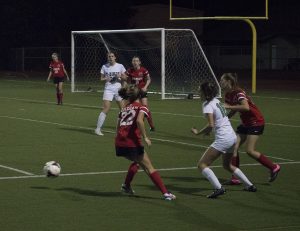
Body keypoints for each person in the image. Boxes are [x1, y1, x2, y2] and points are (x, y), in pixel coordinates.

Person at [191, 82, 257, 199]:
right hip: (232, 137)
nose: (198, 92)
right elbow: (218, 120)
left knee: (202, 164)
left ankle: (218, 188)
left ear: (205, 94)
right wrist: (209, 131)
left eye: (200, 90)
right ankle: (250, 185)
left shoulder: (207, 105)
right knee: (227, 165)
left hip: (224, 138)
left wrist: (198, 133)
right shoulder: (217, 101)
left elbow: (211, 124)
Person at [116, 85, 176, 201]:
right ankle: (166, 193)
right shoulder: (142, 107)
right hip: (131, 143)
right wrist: (145, 137)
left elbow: (118, 125)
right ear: (139, 96)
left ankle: (126, 186)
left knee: (137, 162)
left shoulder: (123, 109)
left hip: (119, 143)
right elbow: (139, 120)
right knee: (149, 167)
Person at [220, 73, 281, 184]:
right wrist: (225, 118)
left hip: (256, 122)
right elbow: (233, 110)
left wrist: (229, 106)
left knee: (249, 151)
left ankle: (274, 167)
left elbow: (246, 107)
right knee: (234, 147)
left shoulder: (238, 92)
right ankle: (235, 177)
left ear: (229, 82)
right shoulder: (228, 94)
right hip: (246, 123)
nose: (220, 83)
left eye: (222, 81)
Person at [95, 52, 127, 136]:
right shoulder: (104, 66)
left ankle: (121, 129)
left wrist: (120, 76)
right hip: (108, 89)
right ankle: (98, 129)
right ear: (107, 58)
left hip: (118, 90)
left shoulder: (120, 66)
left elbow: (126, 77)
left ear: (115, 57)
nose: (110, 58)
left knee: (123, 109)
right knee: (106, 108)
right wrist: (106, 78)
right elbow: (101, 79)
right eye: (109, 56)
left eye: (112, 56)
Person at [126, 56, 155, 131]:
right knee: (134, 108)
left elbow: (149, 79)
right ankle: (135, 124)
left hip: (142, 91)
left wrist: (145, 87)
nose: (135, 62)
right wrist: (128, 87)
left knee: (145, 108)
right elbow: (126, 79)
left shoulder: (143, 70)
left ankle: (152, 126)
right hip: (134, 92)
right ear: (132, 62)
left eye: (136, 61)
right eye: (133, 61)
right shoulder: (130, 70)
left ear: (139, 62)